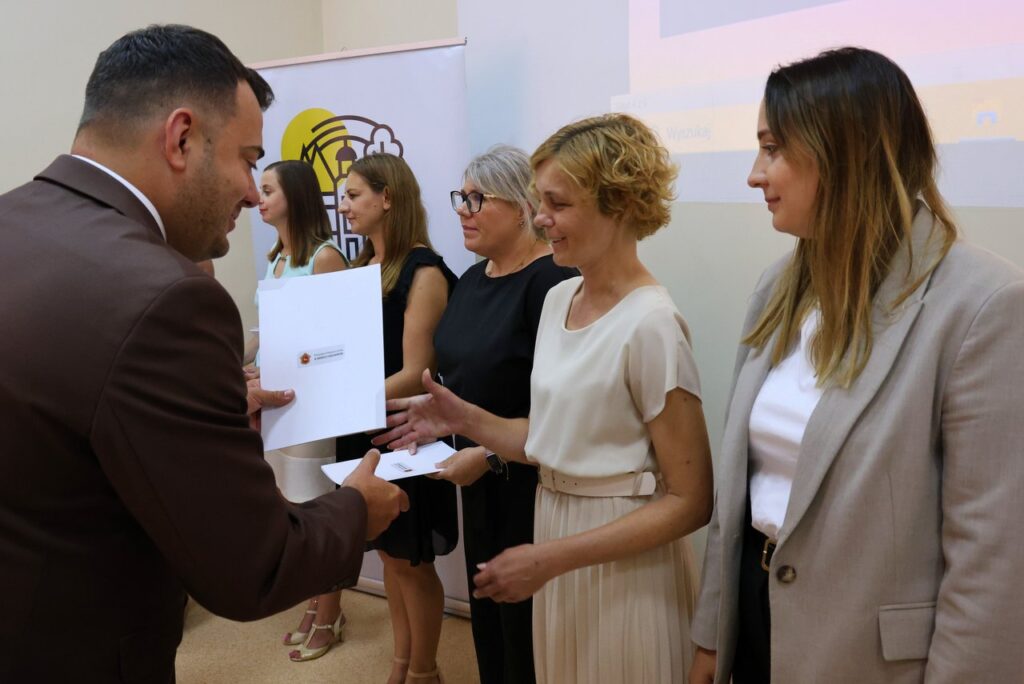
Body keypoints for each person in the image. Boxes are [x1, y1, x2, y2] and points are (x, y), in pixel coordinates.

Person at [0, 24, 407, 682]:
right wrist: (358, 507)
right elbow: (252, 567)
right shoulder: (167, 297)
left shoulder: (14, 220)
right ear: (181, 138)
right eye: (247, 161)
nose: (251, 193)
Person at [687, 48, 1024, 684]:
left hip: (868, 658)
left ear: (846, 151)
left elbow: (993, 559)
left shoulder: (982, 304)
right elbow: (740, 491)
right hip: (757, 622)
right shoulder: (777, 286)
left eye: (773, 149)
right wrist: (712, 633)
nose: (754, 175)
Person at [380, 114, 714, 683]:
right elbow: (548, 439)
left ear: (618, 204)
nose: (540, 218)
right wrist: (463, 417)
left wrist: (550, 557)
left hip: (618, 558)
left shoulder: (653, 323)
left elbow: (692, 500)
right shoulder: (561, 299)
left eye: (557, 204)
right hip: (554, 531)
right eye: (539, 202)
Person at [428, 145, 576, 683]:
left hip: (530, 483)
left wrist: (488, 455)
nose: (462, 210)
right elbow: (462, 374)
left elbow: (563, 407)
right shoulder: (472, 279)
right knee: (489, 616)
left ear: (520, 208)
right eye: (460, 197)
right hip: (477, 479)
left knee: (526, 630)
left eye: (477, 199)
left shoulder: (552, 283)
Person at [335, 152, 458, 683]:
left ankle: (424, 672)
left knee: (412, 560)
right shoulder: (360, 266)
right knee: (388, 555)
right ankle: (401, 664)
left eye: (353, 195)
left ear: (387, 197)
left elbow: (416, 373)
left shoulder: (423, 270)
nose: (344, 207)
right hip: (361, 427)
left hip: (403, 431)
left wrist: (343, 400)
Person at [247, 159, 354, 659]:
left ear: (295, 194)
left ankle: (329, 613)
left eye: (268, 189)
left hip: (312, 406)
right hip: (276, 405)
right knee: (291, 508)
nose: (259, 198)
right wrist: (246, 367)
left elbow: (339, 341)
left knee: (317, 509)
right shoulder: (276, 259)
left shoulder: (326, 258)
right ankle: (315, 602)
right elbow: (269, 333)